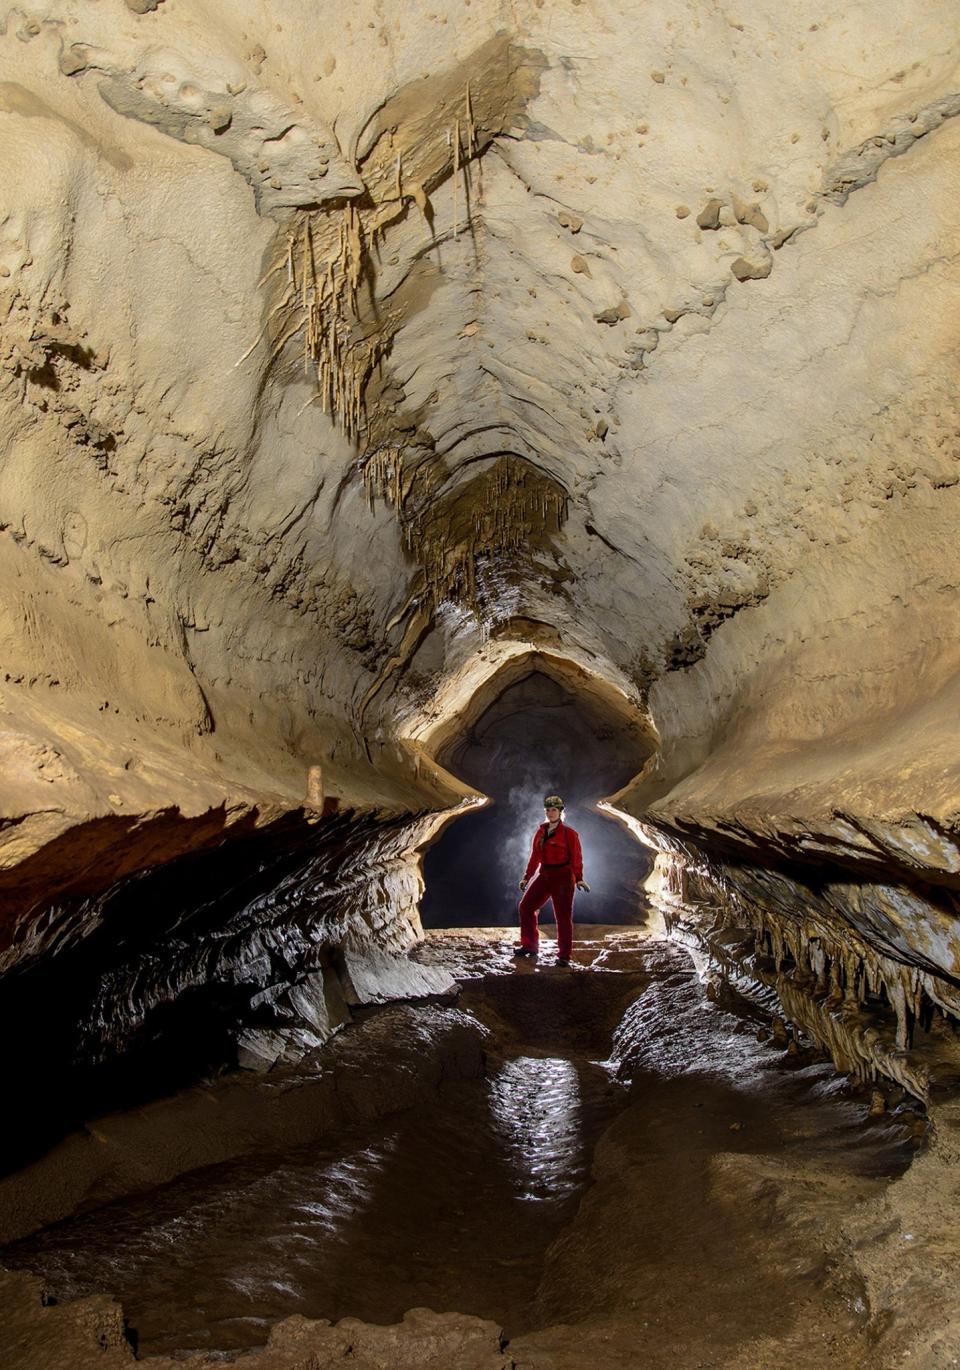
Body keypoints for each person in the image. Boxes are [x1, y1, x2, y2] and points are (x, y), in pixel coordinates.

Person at [515, 794, 589, 967]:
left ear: (561, 811)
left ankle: (564, 955)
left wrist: (578, 878)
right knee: (526, 907)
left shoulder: (569, 834)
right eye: (548, 810)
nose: (550, 813)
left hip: (563, 877)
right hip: (545, 875)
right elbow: (535, 857)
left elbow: (576, 857)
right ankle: (530, 946)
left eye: (554, 809)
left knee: (562, 916)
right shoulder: (541, 832)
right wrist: (527, 877)